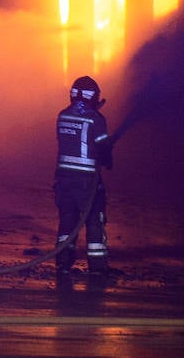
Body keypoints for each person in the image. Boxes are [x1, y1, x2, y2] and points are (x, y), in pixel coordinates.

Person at [54, 75, 112, 276]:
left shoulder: (63, 116)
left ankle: (63, 263)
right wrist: (107, 158)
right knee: (94, 221)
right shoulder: (96, 119)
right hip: (87, 182)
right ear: (93, 97)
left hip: (63, 181)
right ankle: (97, 267)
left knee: (67, 220)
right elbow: (103, 148)